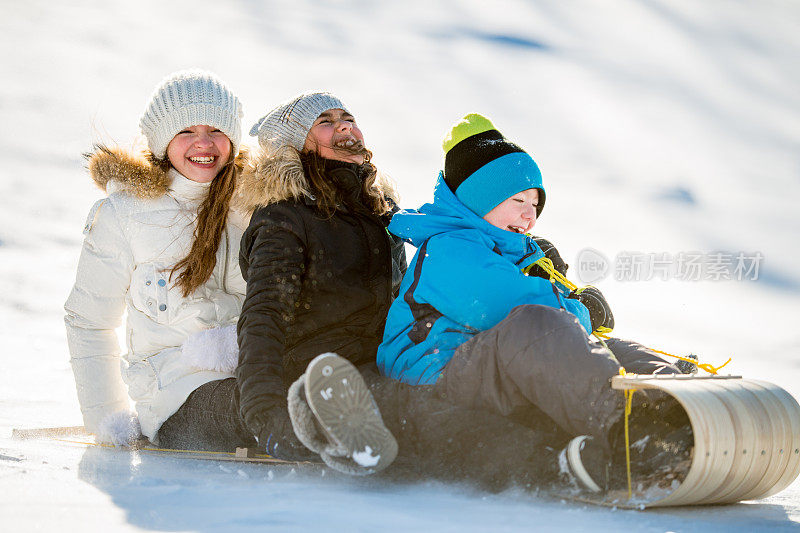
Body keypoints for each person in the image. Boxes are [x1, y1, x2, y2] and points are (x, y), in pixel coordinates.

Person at [377, 113, 692, 492]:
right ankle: (631, 431)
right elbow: (507, 308)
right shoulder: (447, 250)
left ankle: (680, 405)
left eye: (536, 202)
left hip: (487, 366)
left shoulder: (510, 252)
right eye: (518, 200)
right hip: (435, 379)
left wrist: (576, 315)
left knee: (601, 348)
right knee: (538, 326)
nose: (531, 214)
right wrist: (581, 310)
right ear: (480, 200)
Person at [65, 70, 256, 451]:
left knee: (276, 396)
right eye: (185, 131)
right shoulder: (124, 213)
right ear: (161, 141)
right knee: (256, 409)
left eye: (216, 130)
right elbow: (88, 320)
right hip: (173, 394)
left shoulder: (250, 209)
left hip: (252, 373)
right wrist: (108, 419)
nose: (204, 143)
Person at [235, 92, 406, 472]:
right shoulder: (285, 218)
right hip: (321, 379)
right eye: (324, 122)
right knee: (424, 414)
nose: (344, 125)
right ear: (295, 145)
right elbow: (264, 316)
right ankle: (548, 462)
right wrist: (266, 415)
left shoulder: (381, 213)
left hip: (381, 367)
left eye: (347, 117)